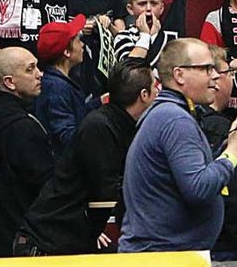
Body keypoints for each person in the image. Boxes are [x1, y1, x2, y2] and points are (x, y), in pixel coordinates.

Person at [118, 37, 237, 254]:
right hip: (165, 262)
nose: (215, 76)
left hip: (166, 256)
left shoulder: (167, 113)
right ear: (179, 75)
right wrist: (233, 152)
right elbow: (199, 188)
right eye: (206, 69)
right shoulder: (175, 120)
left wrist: (225, 148)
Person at [15, 57, 155, 256]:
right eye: (154, 87)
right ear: (144, 95)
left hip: (71, 239)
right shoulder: (99, 126)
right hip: (46, 243)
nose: (158, 93)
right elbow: (107, 189)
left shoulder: (127, 125)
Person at [0, 47, 53, 258]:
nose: (39, 74)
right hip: (19, 243)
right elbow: (47, 187)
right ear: (9, 82)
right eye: (30, 69)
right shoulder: (23, 128)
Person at [33, 15, 99, 157]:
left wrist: (100, 103)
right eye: (77, 41)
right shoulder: (56, 88)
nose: (82, 45)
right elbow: (66, 136)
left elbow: (75, 112)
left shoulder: (58, 81)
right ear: (67, 52)